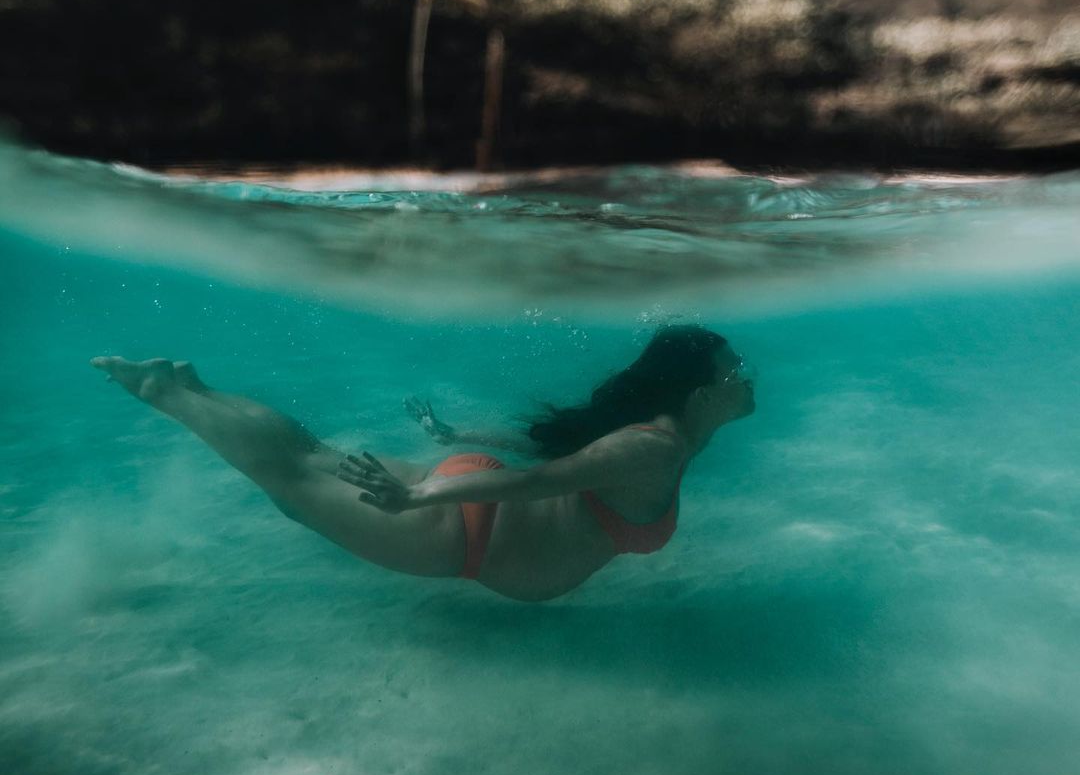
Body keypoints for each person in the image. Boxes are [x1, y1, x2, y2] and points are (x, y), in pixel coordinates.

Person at [90, 324, 755, 603]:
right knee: (292, 483)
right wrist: (415, 502)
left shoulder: (668, 435)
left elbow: (556, 445)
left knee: (310, 461)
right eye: (735, 372)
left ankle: (192, 388)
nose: (747, 379)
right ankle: (165, 390)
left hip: (466, 502)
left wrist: (456, 432)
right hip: (458, 530)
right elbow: (535, 481)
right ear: (702, 394)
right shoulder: (657, 446)